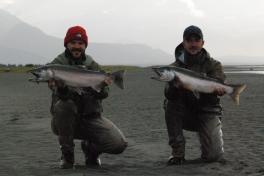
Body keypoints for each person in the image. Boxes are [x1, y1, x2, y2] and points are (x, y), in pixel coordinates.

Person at [48, 26, 127, 169]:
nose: (77, 46)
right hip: (65, 122)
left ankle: (91, 149)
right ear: (66, 44)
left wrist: (101, 86)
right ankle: (67, 156)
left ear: (85, 46)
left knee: (119, 144)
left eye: (81, 43)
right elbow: (59, 99)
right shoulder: (56, 66)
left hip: (91, 118)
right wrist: (62, 87)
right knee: (65, 105)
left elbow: (104, 95)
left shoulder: (93, 66)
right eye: (73, 42)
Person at [164, 25, 227, 165]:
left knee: (213, 158)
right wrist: (172, 86)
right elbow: (168, 94)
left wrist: (220, 90)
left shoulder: (214, 65)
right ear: (183, 43)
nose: (193, 44)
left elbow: (218, 82)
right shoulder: (175, 67)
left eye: (197, 40)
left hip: (208, 113)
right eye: (189, 41)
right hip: (186, 113)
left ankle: (207, 139)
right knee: (170, 103)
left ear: (202, 43)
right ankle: (178, 152)